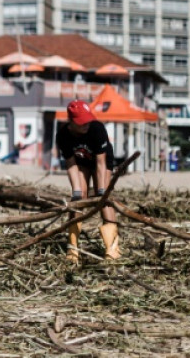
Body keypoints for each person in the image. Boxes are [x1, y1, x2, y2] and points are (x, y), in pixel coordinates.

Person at [56, 100, 121, 262]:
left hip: (102, 162)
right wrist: (77, 192)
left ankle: (112, 248)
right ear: (71, 121)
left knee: (104, 199)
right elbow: (70, 165)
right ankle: (73, 249)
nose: (86, 124)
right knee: (79, 198)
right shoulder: (63, 135)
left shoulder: (97, 129)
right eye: (81, 122)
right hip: (81, 162)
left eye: (87, 120)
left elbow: (100, 164)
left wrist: (101, 193)